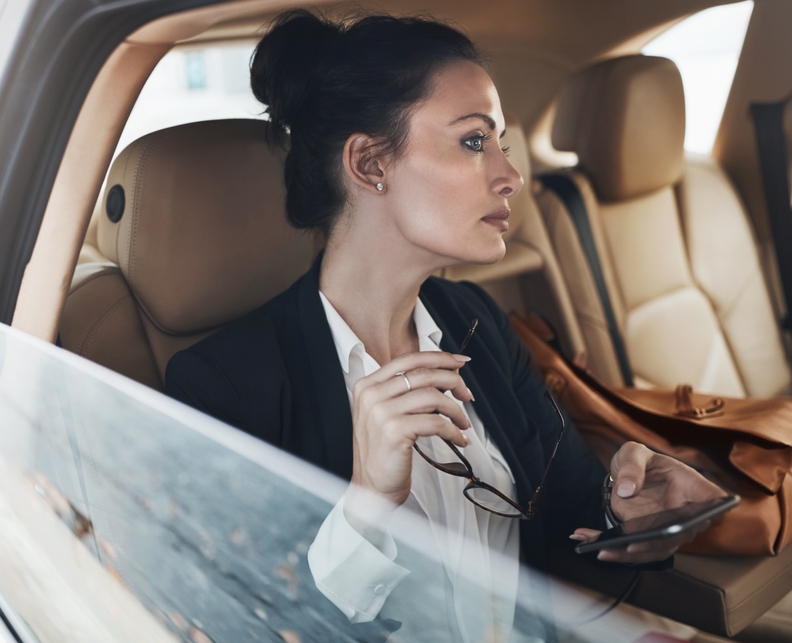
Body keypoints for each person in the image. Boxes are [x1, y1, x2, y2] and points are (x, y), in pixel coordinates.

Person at [165, 10, 724, 641]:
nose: (511, 176)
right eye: (474, 141)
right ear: (370, 164)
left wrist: (632, 508)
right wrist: (366, 506)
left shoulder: (475, 321)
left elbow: (570, 513)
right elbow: (249, 623)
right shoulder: (223, 388)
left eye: (501, 142)